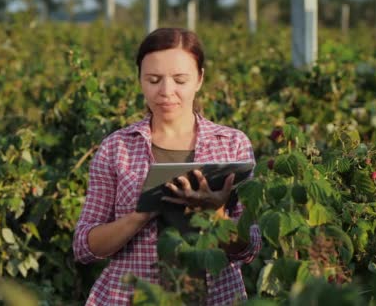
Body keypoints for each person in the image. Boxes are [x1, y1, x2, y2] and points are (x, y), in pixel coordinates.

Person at [73, 28, 261, 305]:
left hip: (217, 297)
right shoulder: (117, 147)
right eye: (153, 79)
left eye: (180, 80)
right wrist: (139, 216)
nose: (166, 91)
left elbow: (250, 248)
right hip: (129, 297)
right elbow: (85, 247)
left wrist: (216, 214)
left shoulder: (231, 144)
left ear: (199, 79)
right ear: (140, 80)